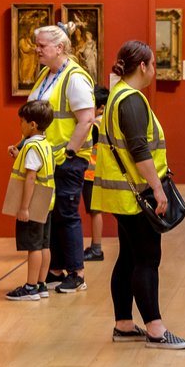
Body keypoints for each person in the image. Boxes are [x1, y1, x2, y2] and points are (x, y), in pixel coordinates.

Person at [92, 40, 185, 349]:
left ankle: (124, 324)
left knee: (129, 257)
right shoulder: (132, 100)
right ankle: (156, 329)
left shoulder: (117, 96)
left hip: (120, 194)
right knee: (148, 258)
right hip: (137, 193)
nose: (154, 71)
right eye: (153, 64)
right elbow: (138, 149)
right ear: (144, 66)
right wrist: (159, 189)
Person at [19, 23, 94, 294]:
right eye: (36, 45)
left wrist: (70, 153)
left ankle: (77, 272)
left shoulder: (74, 77)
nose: (36, 50)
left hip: (66, 158)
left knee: (67, 213)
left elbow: (86, 120)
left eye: (42, 46)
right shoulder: (45, 74)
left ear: (59, 48)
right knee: (53, 214)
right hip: (47, 160)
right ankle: (57, 268)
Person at [5, 100, 56, 301]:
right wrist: (19, 156)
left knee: (33, 246)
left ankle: (30, 286)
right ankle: (42, 284)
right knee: (44, 245)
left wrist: (24, 207)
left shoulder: (32, 146)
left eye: (22, 122)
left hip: (33, 204)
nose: (20, 125)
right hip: (46, 203)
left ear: (32, 124)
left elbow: (31, 177)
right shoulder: (45, 144)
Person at [82, 85, 110, 262]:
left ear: (100, 107)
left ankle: (96, 248)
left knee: (94, 211)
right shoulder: (108, 122)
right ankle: (95, 246)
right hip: (100, 172)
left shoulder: (95, 124)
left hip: (91, 172)